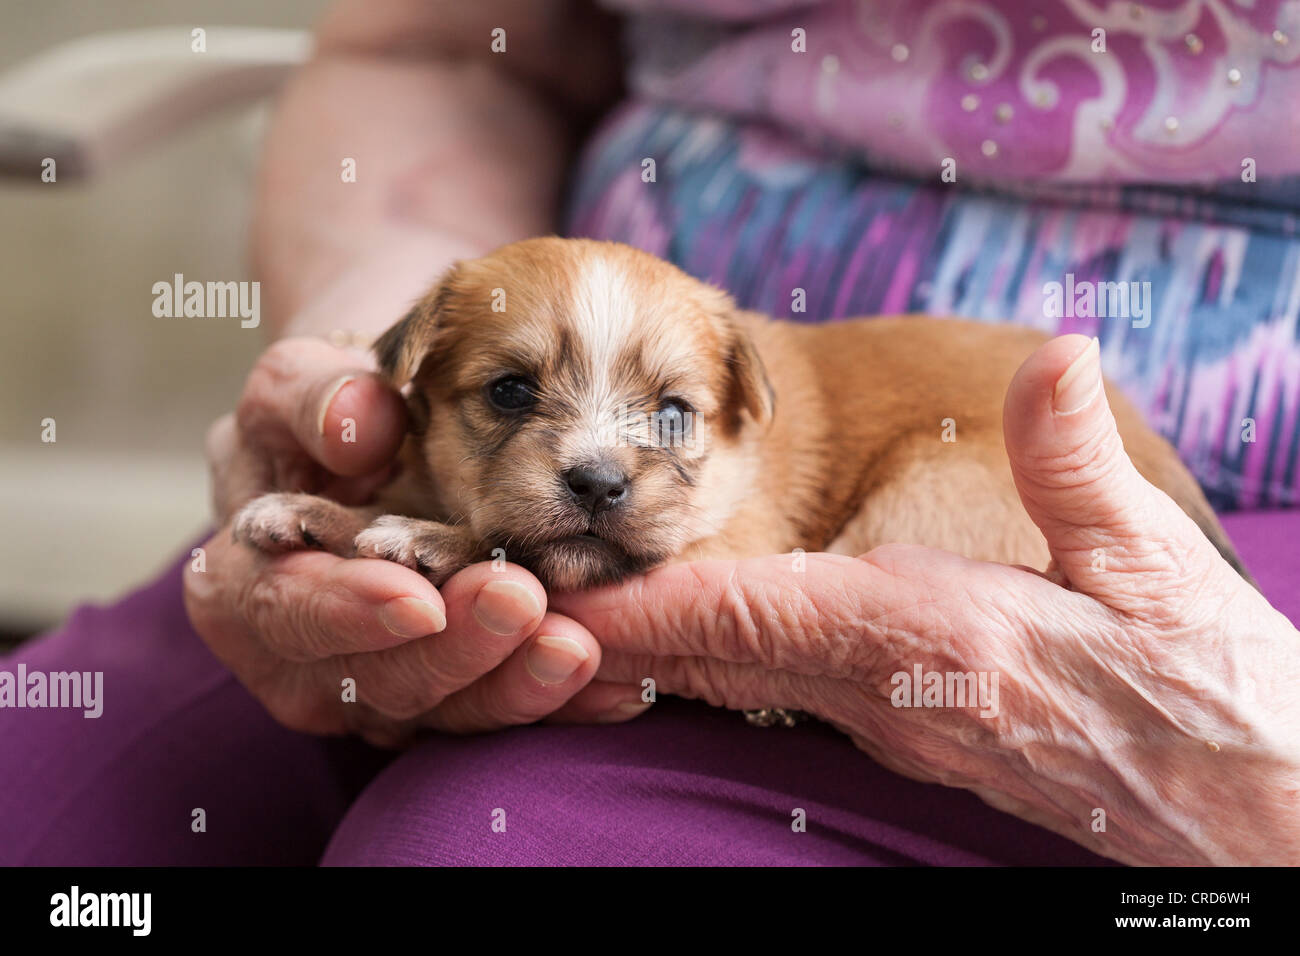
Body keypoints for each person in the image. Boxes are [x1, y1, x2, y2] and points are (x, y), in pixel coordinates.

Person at [3, 0, 1298, 866]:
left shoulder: (780, 450)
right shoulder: (433, 371)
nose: (599, 464)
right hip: (542, 281)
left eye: (669, 421)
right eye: (512, 395)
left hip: (1181, 540)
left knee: (477, 845)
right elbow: (433, 47)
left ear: (741, 414)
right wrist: (343, 413)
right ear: (422, 372)